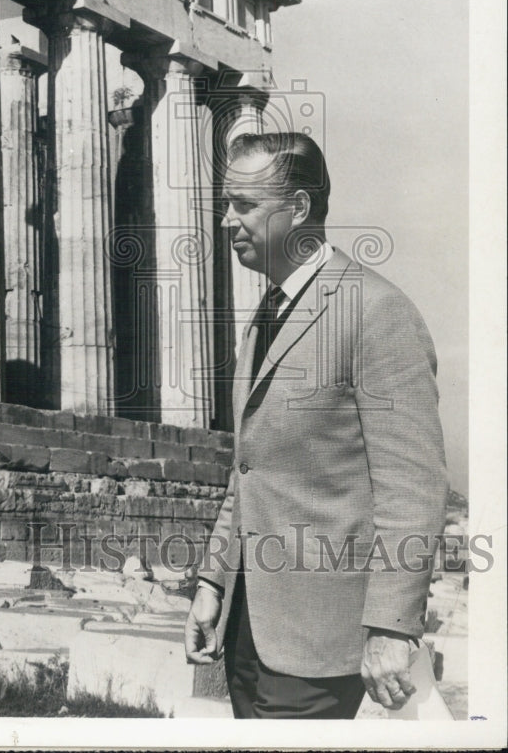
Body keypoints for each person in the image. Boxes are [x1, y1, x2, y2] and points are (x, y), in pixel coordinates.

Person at [184, 132, 448, 719]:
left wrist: (390, 627)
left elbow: (413, 488)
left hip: (326, 645)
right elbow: (248, 473)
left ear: (298, 209)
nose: (227, 220)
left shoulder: (377, 312)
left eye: (244, 204)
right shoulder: (266, 315)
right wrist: (213, 583)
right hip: (247, 632)